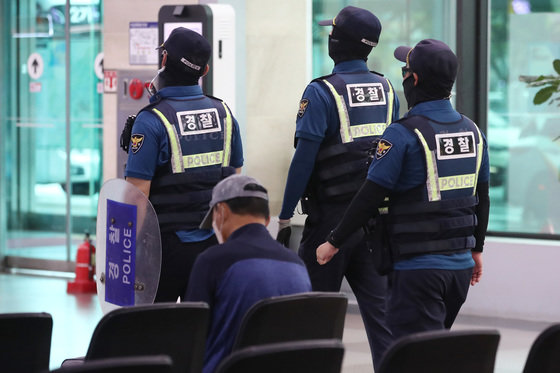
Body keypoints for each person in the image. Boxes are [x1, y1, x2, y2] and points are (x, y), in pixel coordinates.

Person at [316, 39, 490, 341]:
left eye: (405, 70)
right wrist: (476, 250)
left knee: (412, 358)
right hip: (459, 271)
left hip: (418, 272)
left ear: (414, 79)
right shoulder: (473, 132)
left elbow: (369, 196)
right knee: (431, 354)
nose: (403, 76)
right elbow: (481, 198)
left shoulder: (402, 134)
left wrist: (333, 241)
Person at [276, 5, 398, 368]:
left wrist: (284, 216)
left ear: (336, 42)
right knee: (382, 320)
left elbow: (303, 161)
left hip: (329, 222)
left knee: (313, 319)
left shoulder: (320, 93)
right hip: (374, 221)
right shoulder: (387, 88)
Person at [124, 27, 243, 302]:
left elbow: (137, 196)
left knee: (158, 326)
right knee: (201, 329)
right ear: (205, 70)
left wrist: (127, 254)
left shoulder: (151, 120)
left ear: (164, 61)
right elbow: (236, 182)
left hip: (165, 248)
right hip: (212, 244)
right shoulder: (224, 114)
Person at [185, 174, 312, 373]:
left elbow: (191, 338)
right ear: (268, 219)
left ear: (221, 212)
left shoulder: (212, 261)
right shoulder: (297, 265)